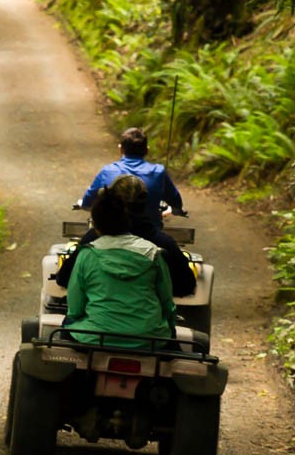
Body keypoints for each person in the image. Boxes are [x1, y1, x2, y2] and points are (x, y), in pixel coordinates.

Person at [64, 186, 176, 349]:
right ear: (126, 221)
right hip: (150, 339)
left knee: (65, 328)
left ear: (95, 225)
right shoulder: (153, 253)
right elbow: (167, 303)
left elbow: (75, 308)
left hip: (95, 336)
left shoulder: (86, 254)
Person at [57, 175, 196, 297]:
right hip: (148, 322)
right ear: (145, 202)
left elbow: (64, 278)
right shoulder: (163, 245)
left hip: (96, 319)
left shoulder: (92, 240)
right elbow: (186, 286)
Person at [79, 126, 186, 228]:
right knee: (171, 247)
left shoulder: (107, 171)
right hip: (148, 234)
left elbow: (87, 203)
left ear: (121, 149)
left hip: (112, 232)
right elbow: (176, 203)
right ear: (146, 150)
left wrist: (85, 205)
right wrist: (175, 210)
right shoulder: (158, 172)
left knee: (83, 245)